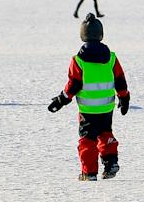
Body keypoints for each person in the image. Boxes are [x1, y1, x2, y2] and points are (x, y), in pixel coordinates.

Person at [47, 13, 130, 181]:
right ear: (101, 34)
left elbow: (73, 85)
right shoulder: (111, 58)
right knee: (106, 133)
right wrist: (124, 98)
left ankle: (89, 172)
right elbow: (120, 80)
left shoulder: (78, 60)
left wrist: (60, 100)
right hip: (106, 108)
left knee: (87, 139)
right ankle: (111, 161)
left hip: (87, 110)